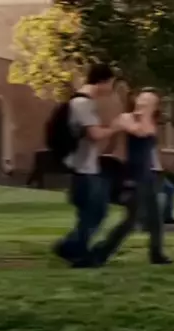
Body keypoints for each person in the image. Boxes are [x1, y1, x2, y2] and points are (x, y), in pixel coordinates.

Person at [90, 88, 172, 266]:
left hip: (149, 175)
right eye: (142, 99)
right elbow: (139, 132)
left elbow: (149, 148)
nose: (144, 103)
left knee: (155, 218)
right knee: (132, 219)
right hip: (133, 175)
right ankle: (100, 253)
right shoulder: (127, 118)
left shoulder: (151, 122)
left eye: (149, 101)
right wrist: (145, 115)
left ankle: (157, 254)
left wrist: (158, 169)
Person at [53, 64, 119, 267]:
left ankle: (73, 249)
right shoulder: (82, 103)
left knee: (92, 214)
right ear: (104, 81)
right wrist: (116, 127)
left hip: (86, 167)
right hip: (83, 169)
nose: (111, 88)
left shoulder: (82, 102)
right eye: (112, 83)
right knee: (95, 213)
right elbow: (95, 134)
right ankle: (72, 250)